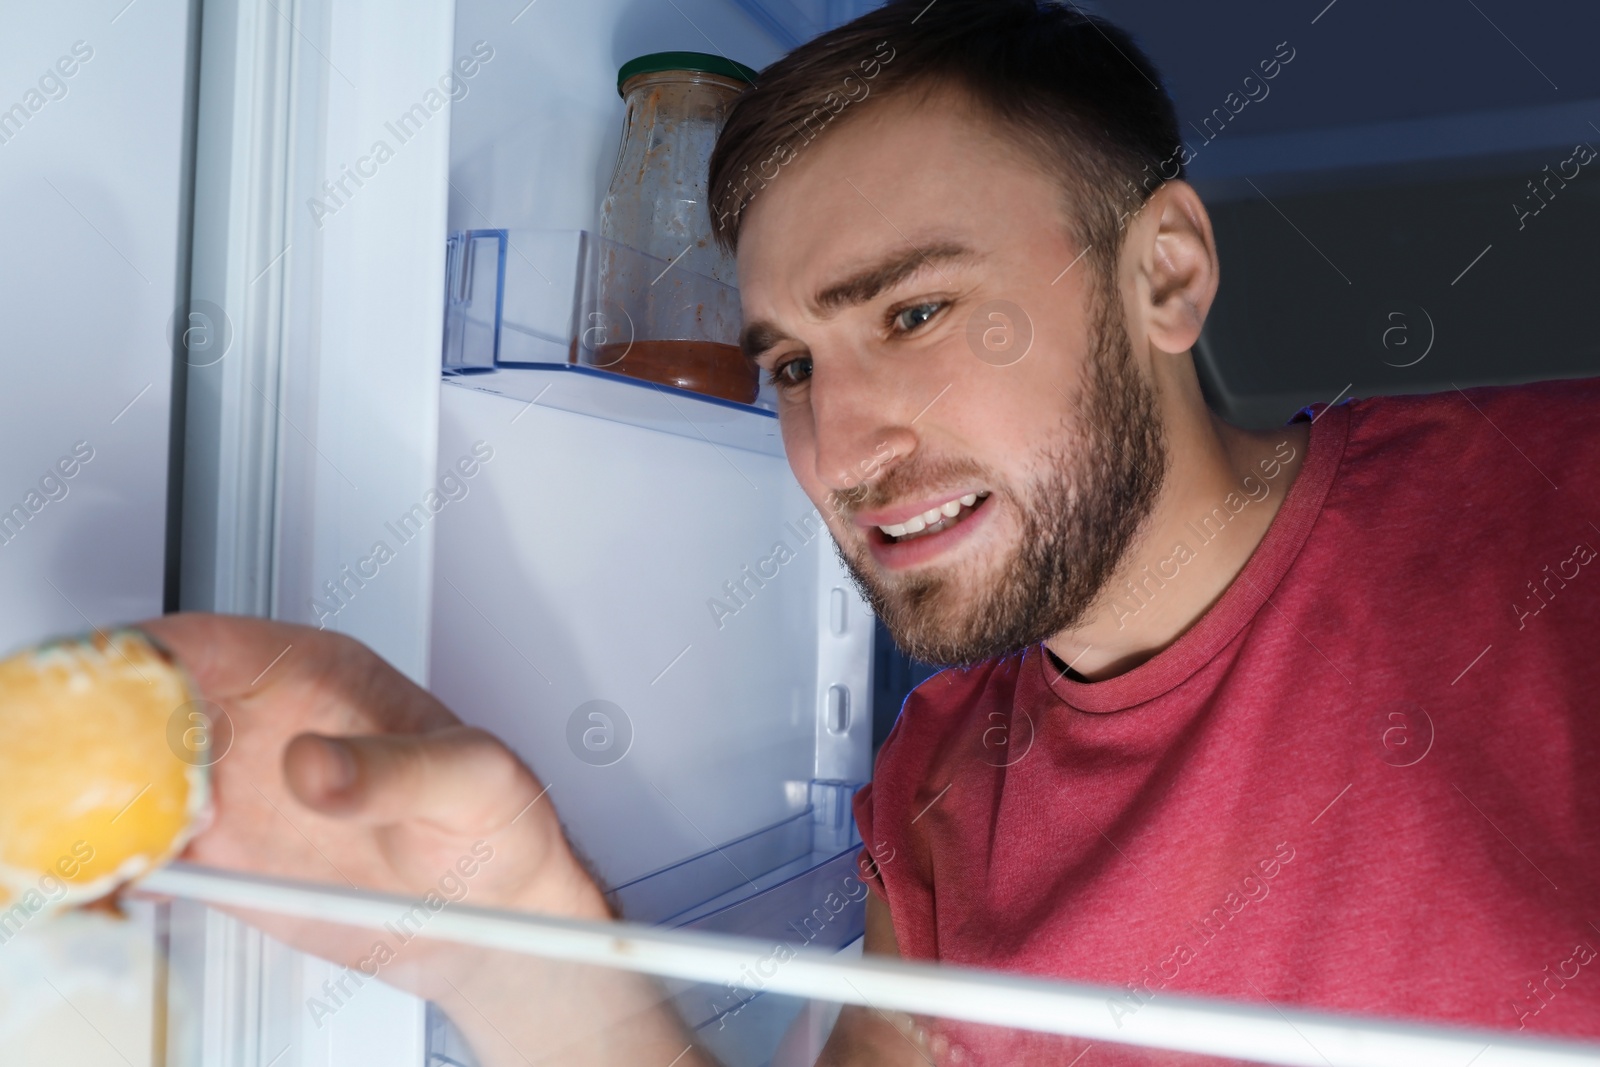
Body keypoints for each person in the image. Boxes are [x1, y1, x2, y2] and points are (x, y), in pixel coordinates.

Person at [138, 0, 1600, 1063]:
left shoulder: (1554, 518)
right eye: (789, 365)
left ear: (1166, 273)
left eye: (913, 311)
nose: (839, 450)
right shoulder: (940, 786)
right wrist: (511, 934)